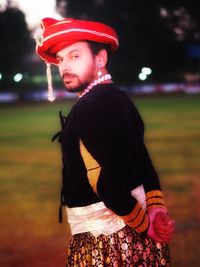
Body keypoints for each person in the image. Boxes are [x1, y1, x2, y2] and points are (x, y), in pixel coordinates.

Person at [35, 17, 175, 266]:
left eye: (75, 56)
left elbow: (106, 185)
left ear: (100, 59)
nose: (64, 66)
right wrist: (155, 209)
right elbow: (142, 160)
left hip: (109, 241)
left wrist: (146, 226)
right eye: (60, 59)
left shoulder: (92, 105)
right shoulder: (115, 97)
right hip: (133, 238)